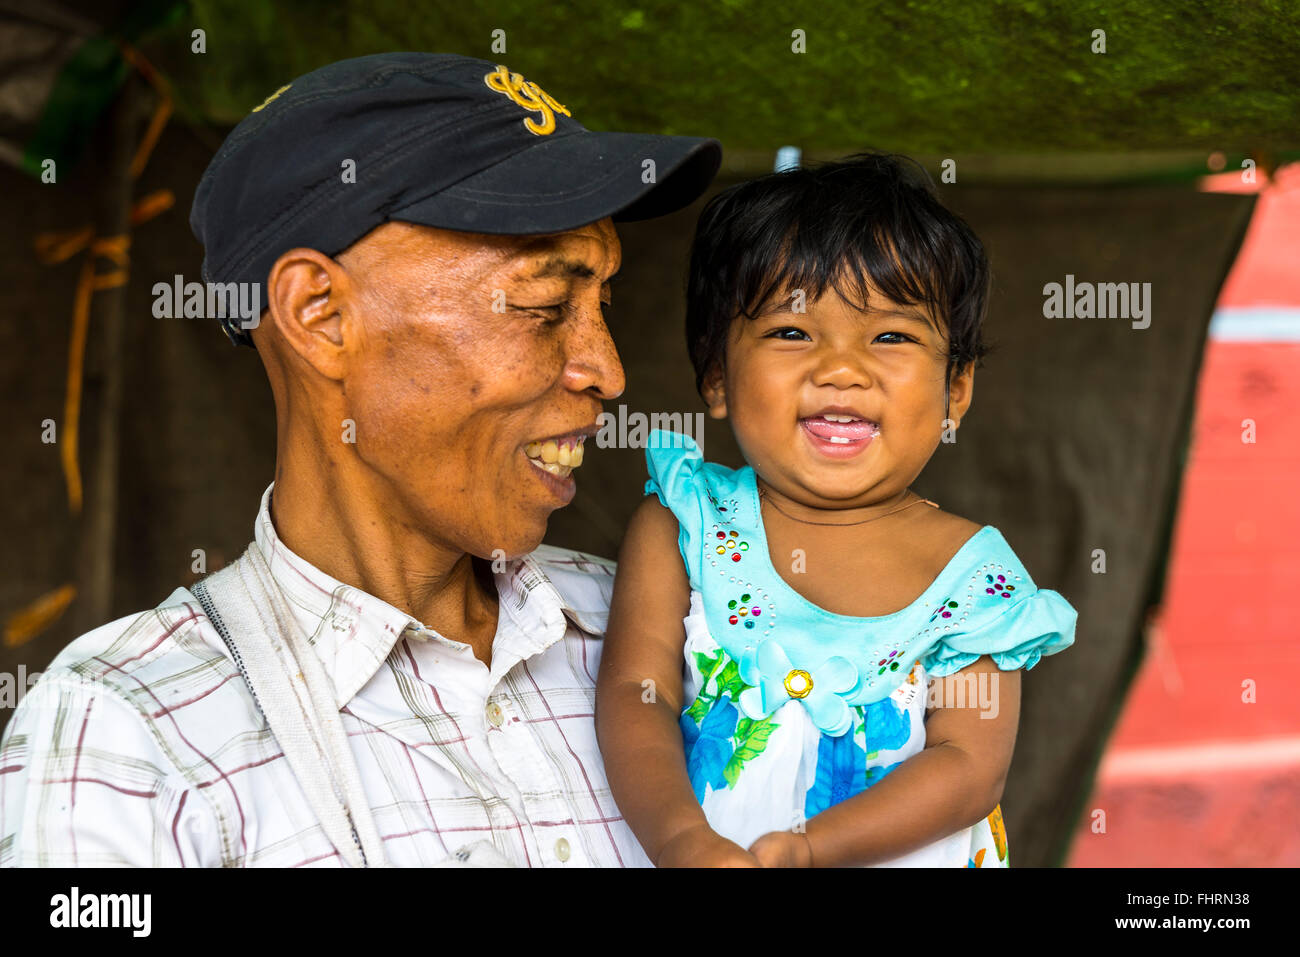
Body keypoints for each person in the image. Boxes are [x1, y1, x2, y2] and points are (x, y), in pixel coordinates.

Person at [0, 52, 720, 867]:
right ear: (319, 314)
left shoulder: (671, 633)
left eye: (604, 304)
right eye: (544, 306)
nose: (608, 371)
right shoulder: (127, 733)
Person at [596, 152, 1077, 867]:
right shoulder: (684, 526)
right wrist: (680, 838)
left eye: (891, 335)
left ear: (957, 389)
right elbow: (637, 698)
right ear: (717, 375)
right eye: (792, 332)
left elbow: (970, 765)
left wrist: (811, 849)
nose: (842, 368)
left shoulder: (978, 581)